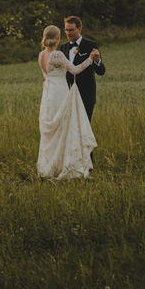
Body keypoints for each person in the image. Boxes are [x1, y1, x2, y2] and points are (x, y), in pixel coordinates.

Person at [37, 25, 99, 179]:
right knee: (64, 128)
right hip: (59, 93)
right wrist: (90, 59)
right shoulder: (57, 55)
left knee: (53, 132)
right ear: (57, 38)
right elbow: (75, 69)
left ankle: (51, 167)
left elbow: (47, 76)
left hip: (48, 95)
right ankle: (67, 165)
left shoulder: (41, 54)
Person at [59, 16, 105, 123]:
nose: (68, 33)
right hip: (68, 95)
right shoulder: (63, 48)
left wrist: (97, 61)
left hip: (86, 95)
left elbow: (101, 71)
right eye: (66, 30)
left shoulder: (90, 46)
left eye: (71, 30)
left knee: (84, 128)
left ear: (79, 29)